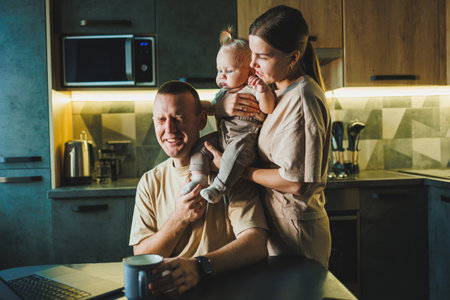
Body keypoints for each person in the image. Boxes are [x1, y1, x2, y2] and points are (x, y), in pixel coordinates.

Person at [205, 5, 332, 268]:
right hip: (278, 228)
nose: (252, 65)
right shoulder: (275, 90)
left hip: (297, 234)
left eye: (262, 57)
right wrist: (220, 107)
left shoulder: (303, 100)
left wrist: (236, 170)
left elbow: (294, 182)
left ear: (293, 58)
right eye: (252, 55)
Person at [129, 80, 268, 298]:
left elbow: (256, 243)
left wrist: (199, 267)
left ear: (202, 120)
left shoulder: (228, 170)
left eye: (178, 117)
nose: (169, 129)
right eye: (162, 120)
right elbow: (142, 255)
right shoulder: (149, 182)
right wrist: (180, 217)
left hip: (227, 290)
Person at [181, 27, 275, 204]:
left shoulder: (254, 87)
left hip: (244, 140)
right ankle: (199, 178)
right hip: (223, 137)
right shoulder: (223, 92)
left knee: (234, 153)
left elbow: (268, 108)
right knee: (200, 145)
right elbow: (210, 107)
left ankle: (219, 187)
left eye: (229, 71)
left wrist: (262, 92)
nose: (222, 76)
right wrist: (191, 106)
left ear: (250, 71)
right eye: (219, 70)